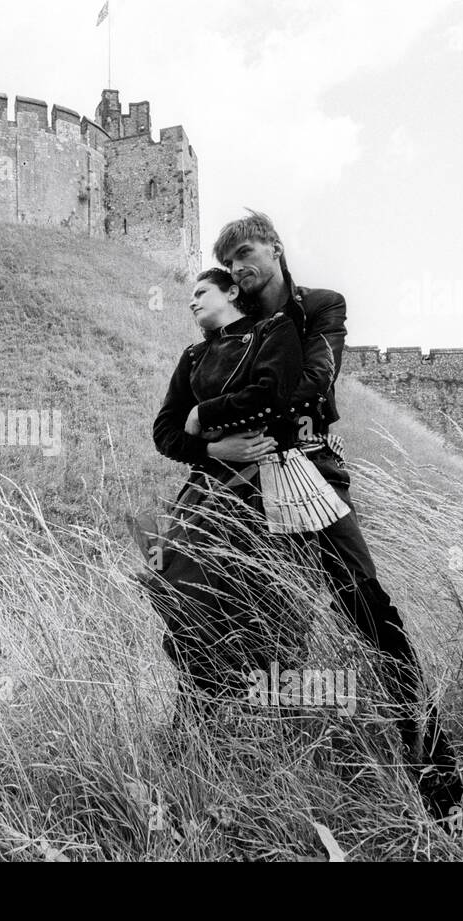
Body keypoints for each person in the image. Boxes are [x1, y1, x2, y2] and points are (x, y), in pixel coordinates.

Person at [184, 209, 463, 821]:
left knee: (369, 612)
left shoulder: (320, 308)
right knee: (233, 623)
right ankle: (225, 779)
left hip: (314, 476)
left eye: (246, 252)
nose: (237, 267)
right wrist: (210, 441)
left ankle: (436, 776)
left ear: (276, 248)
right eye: (228, 262)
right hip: (239, 489)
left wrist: (211, 418)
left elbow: (310, 387)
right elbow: (180, 420)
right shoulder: (231, 326)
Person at [134, 267, 331, 729]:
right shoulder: (194, 355)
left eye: (202, 292)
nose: (192, 301)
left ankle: (276, 720)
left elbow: (272, 394)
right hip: (207, 490)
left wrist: (203, 413)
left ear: (232, 292)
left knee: (271, 599)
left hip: (272, 483)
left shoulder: (272, 331)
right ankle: (198, 709)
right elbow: (164, 431)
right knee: (176, 585)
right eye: (190, 296)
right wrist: (211, 448)